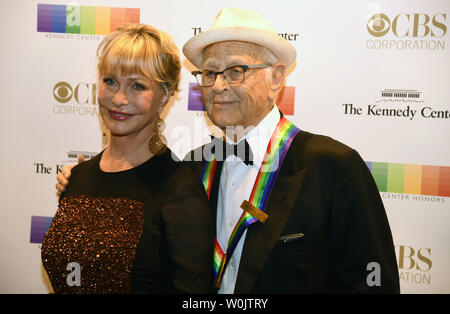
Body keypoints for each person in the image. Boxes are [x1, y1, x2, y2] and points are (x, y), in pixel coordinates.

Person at [57, 8, 400, 294]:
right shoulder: (189, 170)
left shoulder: (333, 167)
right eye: (209, 72)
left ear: (277, 78)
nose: (219, 86)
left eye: (236, 71)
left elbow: (374, 284)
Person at [43, 24, 213, 294]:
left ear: (164, 96)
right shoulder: (76, 178)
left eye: (137, 86)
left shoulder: (179, 191)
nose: (119, 99)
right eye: (110, 81)